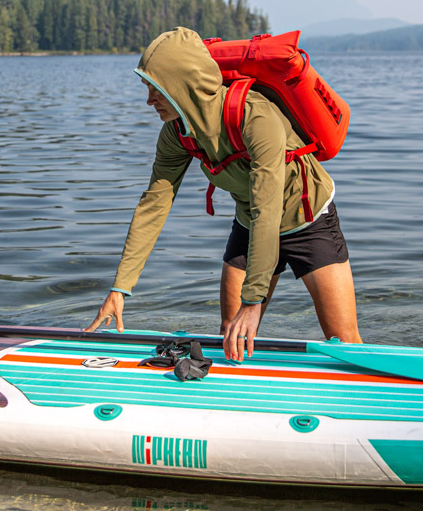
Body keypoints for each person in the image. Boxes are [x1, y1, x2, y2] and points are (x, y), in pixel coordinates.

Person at [87, 27, 361, 361]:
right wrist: (120, 288)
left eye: (156, 90)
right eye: (148, 89)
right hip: (250, 223)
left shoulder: (256, 117)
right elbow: (154, 203)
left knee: (345, 342)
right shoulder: (177, 133)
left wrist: (253, 301)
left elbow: (268, 207)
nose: (149, 101)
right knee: (230, 336)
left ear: (182, 86)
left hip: (308, 222)